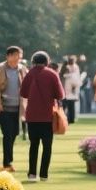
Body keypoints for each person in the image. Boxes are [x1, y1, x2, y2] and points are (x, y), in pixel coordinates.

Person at [19, 50, 64, 181]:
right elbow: (60, 95)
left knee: (33, 145)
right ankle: (44, 174)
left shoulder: (29, 74)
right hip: (47, 116)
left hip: (32, 115)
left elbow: (23, 93)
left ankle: (32, 174)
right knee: (47, 146)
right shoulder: (52, 74)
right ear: (47, 62)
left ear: (33, 62)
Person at [0, 45, 27, 171]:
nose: (17, 58)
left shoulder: (22, 69)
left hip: (17, 108)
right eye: (15, 55)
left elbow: (27, 86)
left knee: (14, 133)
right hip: (3, 107)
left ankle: (8, 162)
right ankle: (7, 163)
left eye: (19, 56)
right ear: (8, 56)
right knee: (7, 135)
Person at [59, 56, 82, 124]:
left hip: (71, 89)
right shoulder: (67, 67)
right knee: (66, 105)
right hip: (66, 89)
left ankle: (70, 119)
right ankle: (65, 118)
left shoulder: (75, 67)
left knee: (70, 106)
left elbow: (76, 79)